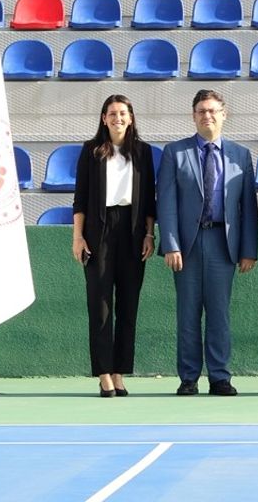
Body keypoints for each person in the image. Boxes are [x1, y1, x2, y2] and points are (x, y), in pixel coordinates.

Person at [156, 90, 258, 397]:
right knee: (187, 313)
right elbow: (167, 202)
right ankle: (188, 377)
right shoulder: (174, 152)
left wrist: (248, 250)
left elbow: (248, 208)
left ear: (224, 114)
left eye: (213, 110)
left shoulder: (240, 154)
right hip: (187, 243)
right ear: (193, 115)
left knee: (219, 313)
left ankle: (219, 377)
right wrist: (170, 243)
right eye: (201, 111)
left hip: (223, 243)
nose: (207, 116)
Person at [71, 95, 156, 398]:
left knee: (128, 305)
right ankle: (104, 373)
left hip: (132, 233)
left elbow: (148, 201)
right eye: (112, 114)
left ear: (131, 118)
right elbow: (80, 198)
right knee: (101, 306)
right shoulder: (91, 151)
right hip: (99, 231)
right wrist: (78, 237)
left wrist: (149, 235)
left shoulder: (143, 152)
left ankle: (120, 371)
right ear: (103, 118)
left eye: (123, 113)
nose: (117, 118)